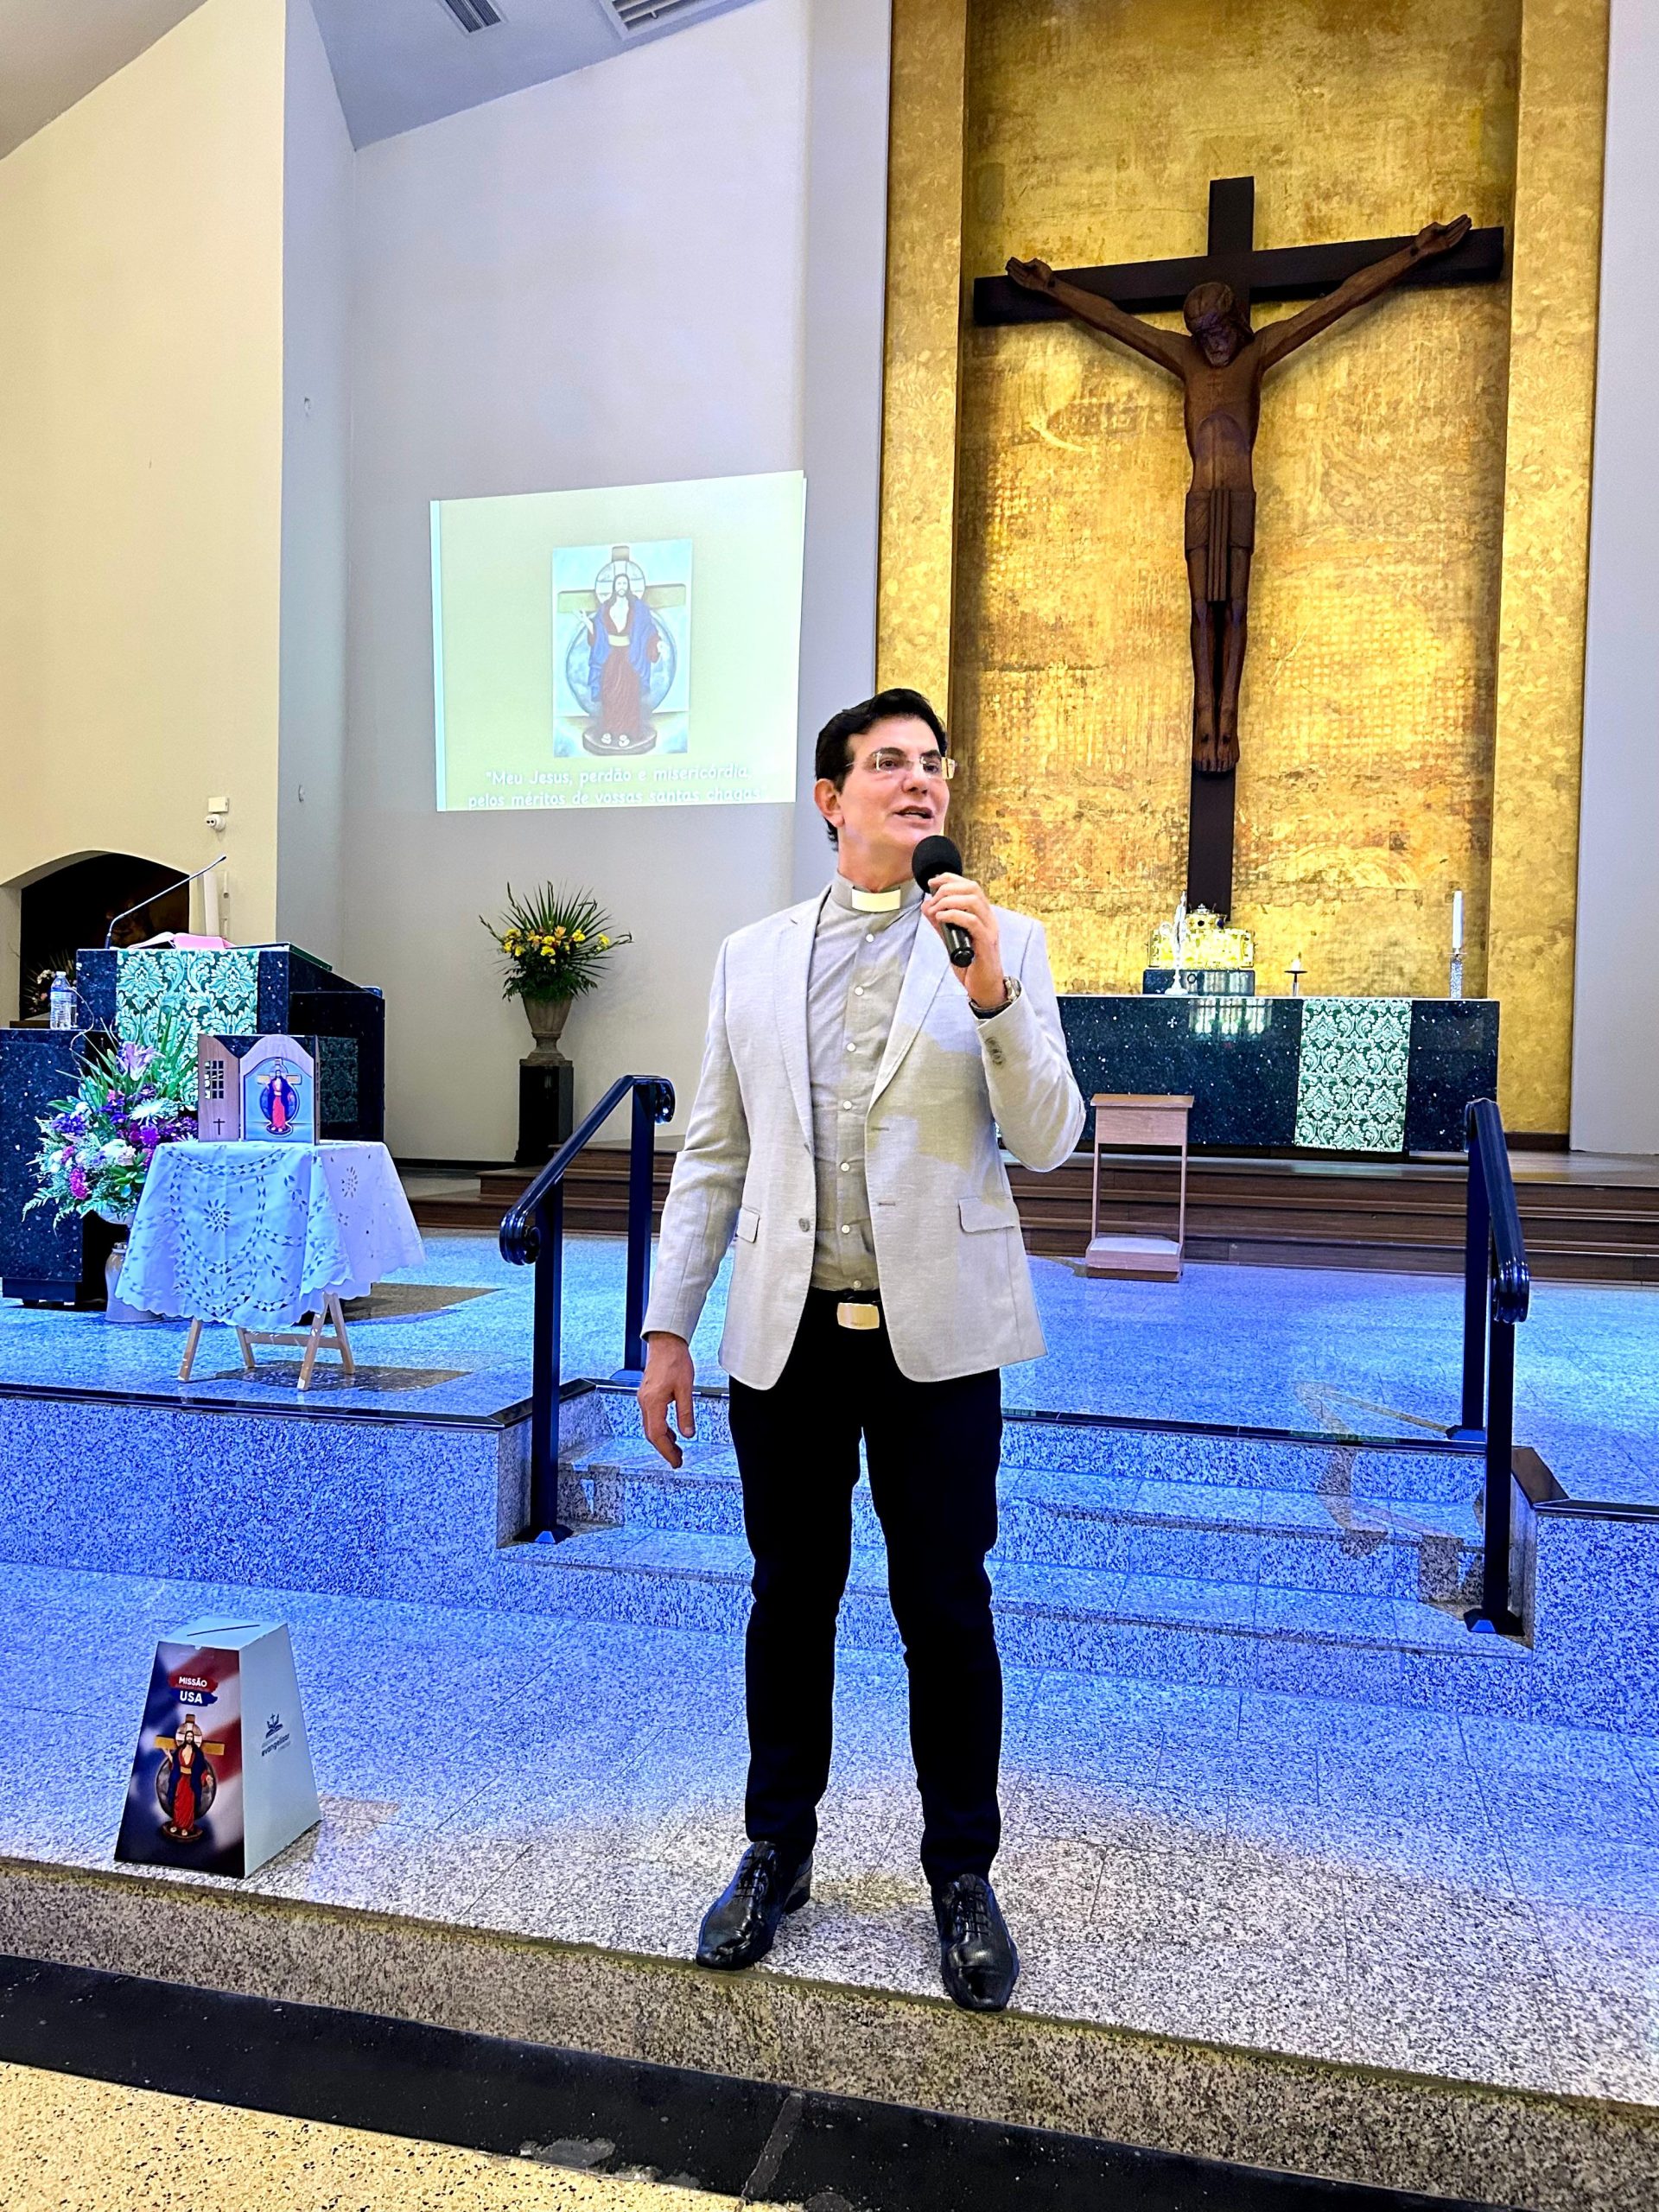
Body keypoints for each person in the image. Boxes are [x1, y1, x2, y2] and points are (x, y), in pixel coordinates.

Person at [637, 686, 1084, 2012]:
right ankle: (775, 1850)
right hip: (788, 1340)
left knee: (945, 1607)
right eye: (888, 763)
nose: (919, 780)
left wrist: (992, 995)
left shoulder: (1002, 944)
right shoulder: (753, 957)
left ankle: (963, 1874)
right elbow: (712, 1154)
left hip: (937, 1340)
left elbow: (1050, 1139)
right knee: (790, 1599)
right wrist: (668, 1327)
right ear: (832, 799)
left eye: (933, 763)